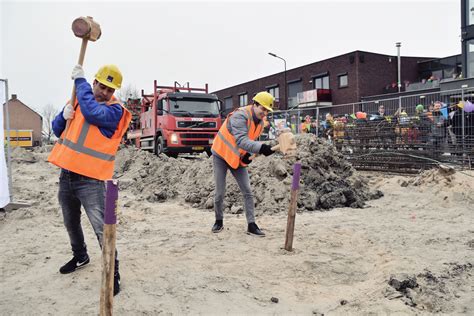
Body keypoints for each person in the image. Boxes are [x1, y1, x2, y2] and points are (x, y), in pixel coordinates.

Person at [48, 64, 131, 296]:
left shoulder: (116, 112)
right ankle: (80, 256)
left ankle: (112, 272)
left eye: (110, 90)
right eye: (102, 86)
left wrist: (79, 81)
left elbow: (93, 113)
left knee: (102, 228)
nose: (105, 92)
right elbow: (57, 130)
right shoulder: (77, 99)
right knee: (70, 222)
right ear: (95, 82)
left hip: (92, 180)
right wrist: (62, 117)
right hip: (66, 176)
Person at [210, 91, 276, 237]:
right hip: (221, 154)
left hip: (236, 157)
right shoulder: (240, 116)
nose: (264, 113)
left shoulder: (260, 123)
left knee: (248, 191)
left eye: (267, 110)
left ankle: (251, 225)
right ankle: (218, 220)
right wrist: (262, 148)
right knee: (220, 191)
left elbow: (250, 141)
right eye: (263, 109)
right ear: (255, 104)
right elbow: (241, 141)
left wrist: (247, 156)